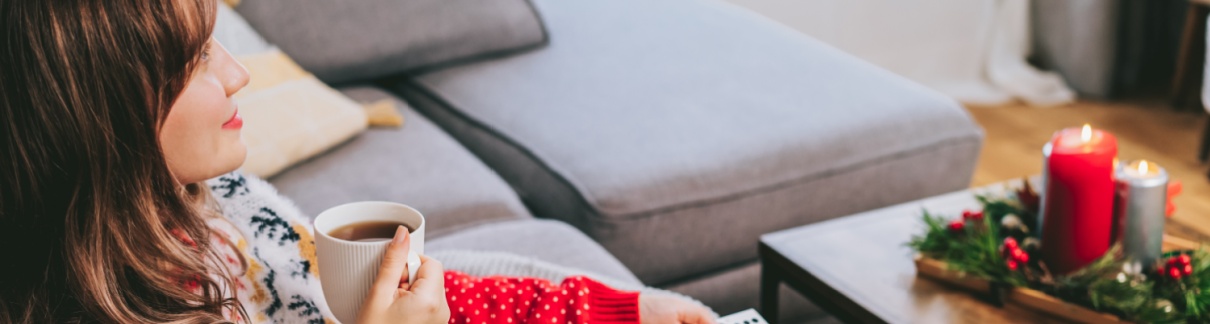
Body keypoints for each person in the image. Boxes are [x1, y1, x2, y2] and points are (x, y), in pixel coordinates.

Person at [0, 1, 716, 323]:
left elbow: (411, 295)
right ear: (106, 120)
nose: (238, 75)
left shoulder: (219, 208)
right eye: (194, 61)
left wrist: (618, 312)